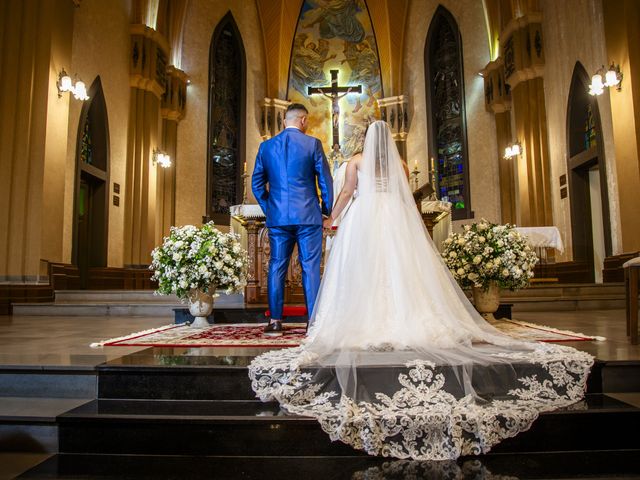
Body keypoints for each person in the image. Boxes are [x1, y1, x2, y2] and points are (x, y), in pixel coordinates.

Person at [249, 121, 594, 460]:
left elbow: (346, 192)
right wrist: (412, 226)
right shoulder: (399, 163)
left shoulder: (355, 162)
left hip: (363, 218)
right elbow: (407, 198)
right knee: (400, 269)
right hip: (394, 217)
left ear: (367, 142)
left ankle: (331, 318)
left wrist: (332, 216)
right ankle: (403, 315)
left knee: (362, 270)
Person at [252, 103, 333, 336]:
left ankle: (275, 322)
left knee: (277, 266)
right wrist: (326, 210)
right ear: (304, 120)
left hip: (278, 218)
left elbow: (256, 184)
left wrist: (271, 208)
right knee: (310, 267)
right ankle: (313, 322)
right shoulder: (312, 144)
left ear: (285, 121)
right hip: (308, 216)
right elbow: (325, 182)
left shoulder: (266, 147)